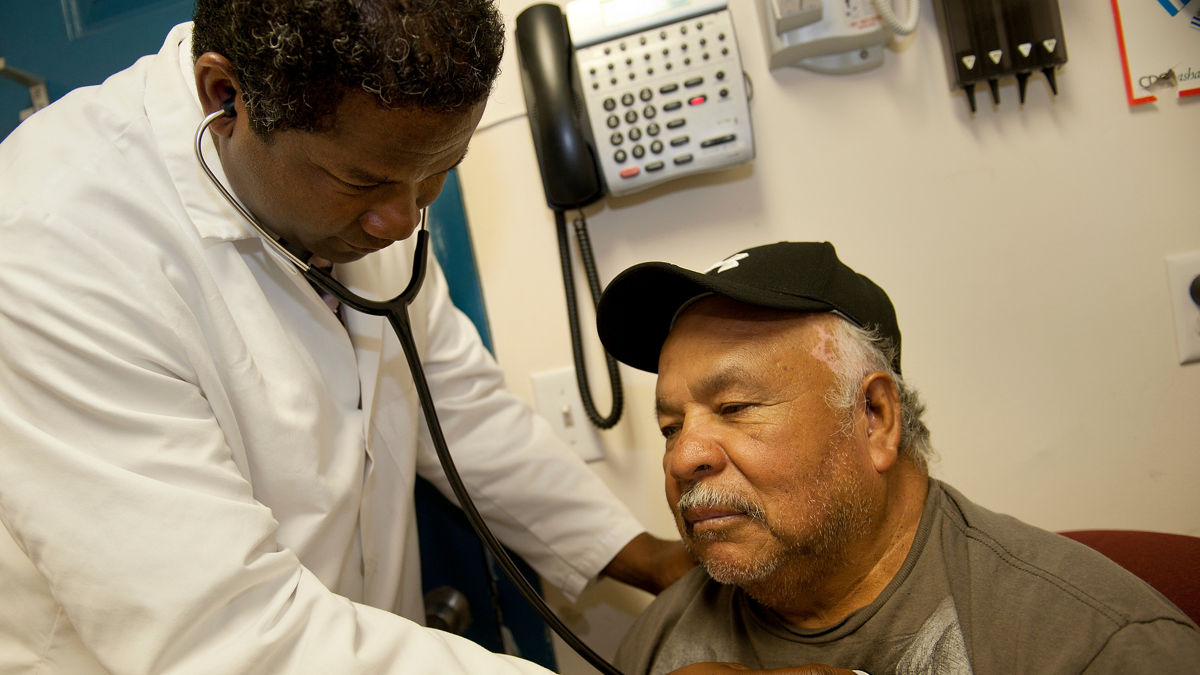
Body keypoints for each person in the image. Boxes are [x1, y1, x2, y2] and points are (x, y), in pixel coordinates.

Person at [0, 2, 694, 672]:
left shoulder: (370, 173)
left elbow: (454, 405)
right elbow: (228, 637)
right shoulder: (52, 246)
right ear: (226, 97)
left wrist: (648, 558)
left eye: (437, 172)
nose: (401, 220)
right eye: (362, 182)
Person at [593, 242, 1200, 674]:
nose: (683, 457)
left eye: (735, 407)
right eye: (670, 427)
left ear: (875, 418)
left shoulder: (1091, 645)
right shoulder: (660, 640)